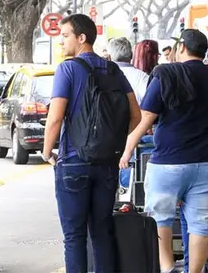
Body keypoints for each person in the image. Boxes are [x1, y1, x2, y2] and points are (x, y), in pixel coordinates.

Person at [119, 29, 208, 273]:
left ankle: (167, 268)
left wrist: (126, 149)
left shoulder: (165, 74)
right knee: (202, 223)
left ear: (182, 46)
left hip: (168, 161)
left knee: (159, 218)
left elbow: (147, 118)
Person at [42, 14, 142, 272]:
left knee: (74, 236)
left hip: (73, 163)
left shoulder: (68, 68)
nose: (61, 43)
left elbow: (55, 118)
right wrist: (112, 142)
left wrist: (46, 151)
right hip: (107, 164)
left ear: (82, 38)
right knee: (101, 231)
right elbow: (136, 115)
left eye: (65, 36)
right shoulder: (113, 69)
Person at [108, 37, 149, 103]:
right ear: (132, 55)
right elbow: (149, 103)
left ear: (109, 57)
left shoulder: (103, 75)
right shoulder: (142, 77)